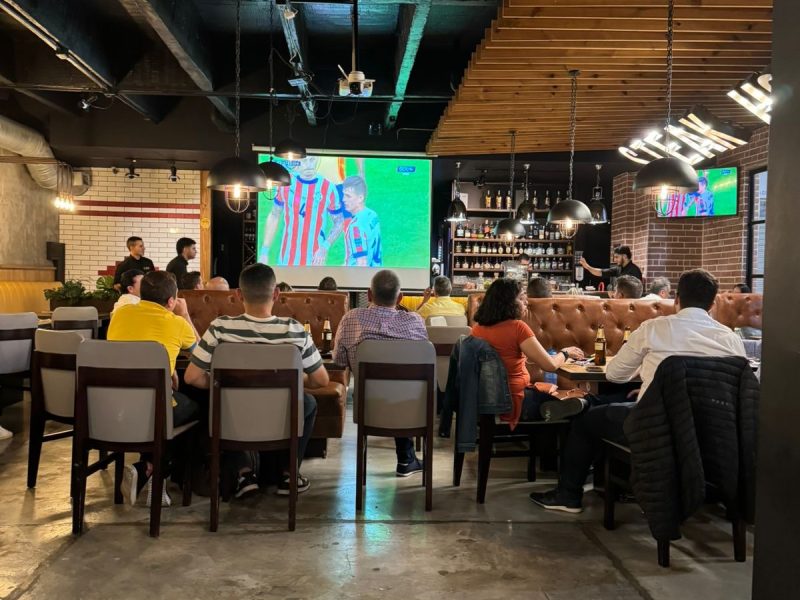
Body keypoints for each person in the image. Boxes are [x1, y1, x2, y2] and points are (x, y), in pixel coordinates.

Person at [529, 269, 746, 513]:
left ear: (676, 299)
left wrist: (649, 382)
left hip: (655, 425)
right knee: (612, 404)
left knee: (586, 421)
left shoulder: (654, 328)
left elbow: (615, 374)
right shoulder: (731, 339)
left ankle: (568, 495)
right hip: (710, 430)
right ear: (713, 302)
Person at [184, 264, 324, 497]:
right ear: (277, 294)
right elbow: (321, 379)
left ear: (238, 294)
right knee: (308, 403)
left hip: (234, 419)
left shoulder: (220, 328)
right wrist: (294, 380)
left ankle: (243, 472)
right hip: (280, 418)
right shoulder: (295, 330)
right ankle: (287, 474)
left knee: (218, 400)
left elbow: (192, 377)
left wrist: (221, 383)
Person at [107, 271, 201, 507]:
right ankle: (152, 470)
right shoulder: (176, 323)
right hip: (153, 410)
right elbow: (202, 355)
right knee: (196, 409)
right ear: (171, 301)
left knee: (161, 404)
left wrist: (167, 370)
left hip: (111, 408)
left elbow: (131, 350)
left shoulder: (120, 314)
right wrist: (185, 314)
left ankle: (149, 472)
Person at [332, 270, 426, 476]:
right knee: (401, 386)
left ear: (369, 294)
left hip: (368, 406)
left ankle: (405, 459)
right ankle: (406, 459)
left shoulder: (351, 319)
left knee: (385, 388)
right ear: (400, 298)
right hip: (409, 407)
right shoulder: (416, 322)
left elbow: (339, 362)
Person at [471, 278, 586, 429]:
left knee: (558, 401)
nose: (526, 302)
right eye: (521, 298)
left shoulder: (477, 329)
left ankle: (548, 414)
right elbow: (549, 365)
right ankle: (549, 429)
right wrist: (565, 352)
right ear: (507, 302)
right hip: (515, 399)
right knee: (578, 407)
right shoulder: (518, 327)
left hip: (487, 398)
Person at [259, 156, 345, 266]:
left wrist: (324, 247)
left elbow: (339, 221)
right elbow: (275, 215)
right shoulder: (285, 184)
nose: (309, 165)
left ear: (318, 159)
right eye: (304, 161)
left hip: (315, 261)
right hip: (286, 259)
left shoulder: (328, 188)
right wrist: (264, 252)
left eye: (312, 160)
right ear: (296, 161)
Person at [341, 176, 382, 267]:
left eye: (348, 196)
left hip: (355, 276)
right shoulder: (372, 215)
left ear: (360, 198)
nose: (343, 199)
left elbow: (362, 263)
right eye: (343, 195)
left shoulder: (356, 226)